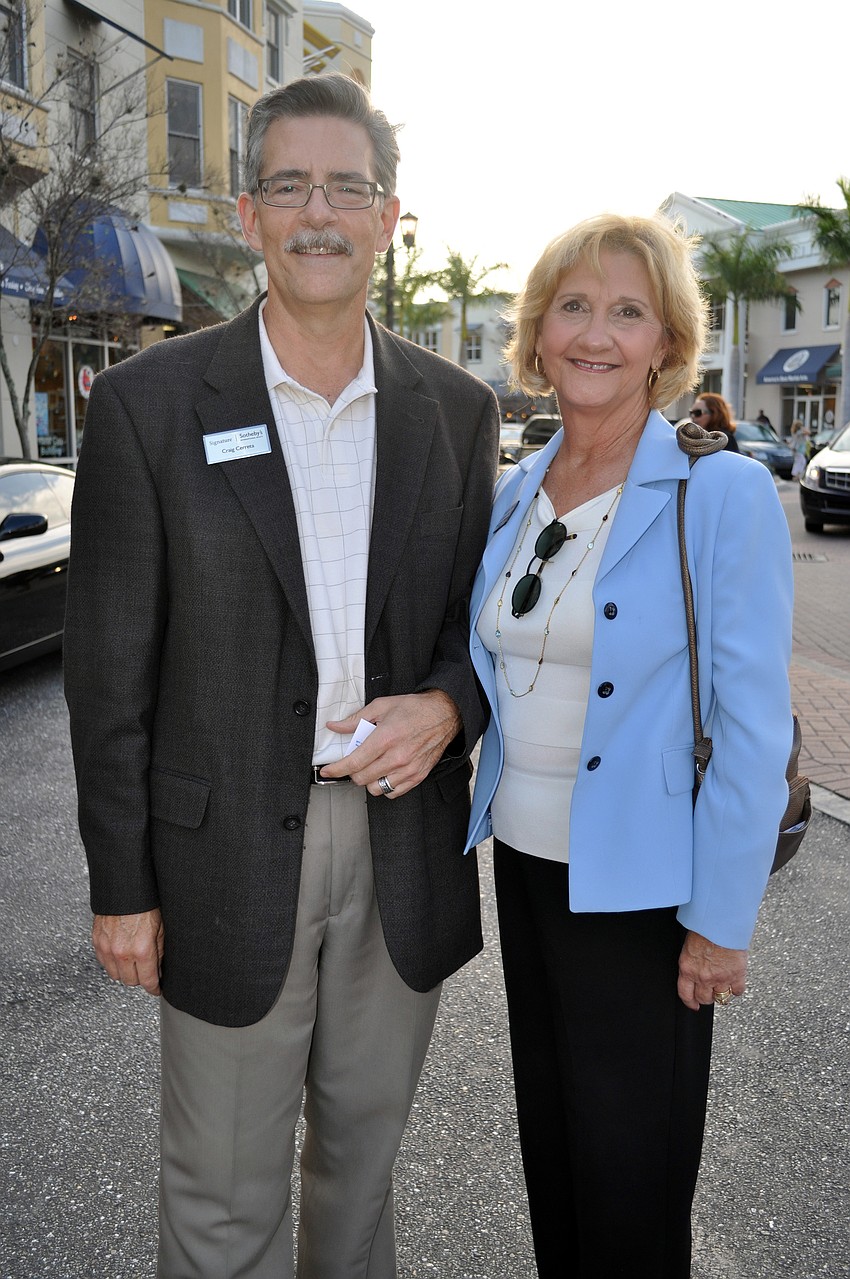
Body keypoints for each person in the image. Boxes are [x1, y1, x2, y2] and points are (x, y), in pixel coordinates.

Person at [63, 73, 499, 1278]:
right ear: (249, 215)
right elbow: (107, 677)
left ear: (388, 215)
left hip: (403, 848)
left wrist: (453, 702)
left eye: (345, 187)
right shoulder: (150, 406)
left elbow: (483, 627)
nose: (319, 212)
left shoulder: (456, 412)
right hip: (220, 862)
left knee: (362, 1178)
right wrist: (121, 886)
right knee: (220, 1193)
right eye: (291, 185)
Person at [465, 213, 793, 1277]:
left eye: (626, 311)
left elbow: (752, 725)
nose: (594, 333)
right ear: (536, 335)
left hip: (646, 895)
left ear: (664, 342)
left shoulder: (719, 491)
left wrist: (720, 924)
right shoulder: (517, 490)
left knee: (631, 1181)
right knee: (554, 1159)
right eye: (572, 306)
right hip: (522, 865)